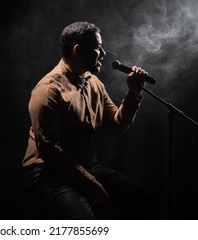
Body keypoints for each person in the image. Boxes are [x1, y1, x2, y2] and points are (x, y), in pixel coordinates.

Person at [21, 21, 156, 220]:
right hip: (48, 171)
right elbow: (49, 150)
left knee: (144, 201)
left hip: (85, 165)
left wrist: (133, 93)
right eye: (98, 48)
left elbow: (118, 124)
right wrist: (90, 184)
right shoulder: (48, 90)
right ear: (78, 50)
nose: (103, 54)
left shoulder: (94, 83)